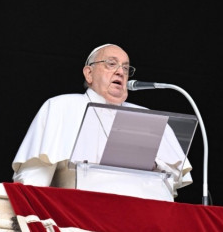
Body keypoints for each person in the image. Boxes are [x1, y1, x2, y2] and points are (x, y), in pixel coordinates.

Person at [12, 44, 192, 197]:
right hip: (81, 214)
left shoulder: (147, 116)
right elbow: (35, 176)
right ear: (89, 73)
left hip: (146, 217)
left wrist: (153, 163)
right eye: (111, 64)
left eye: (126, 68)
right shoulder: (61, 106)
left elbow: (173, 179)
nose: (120, 72)